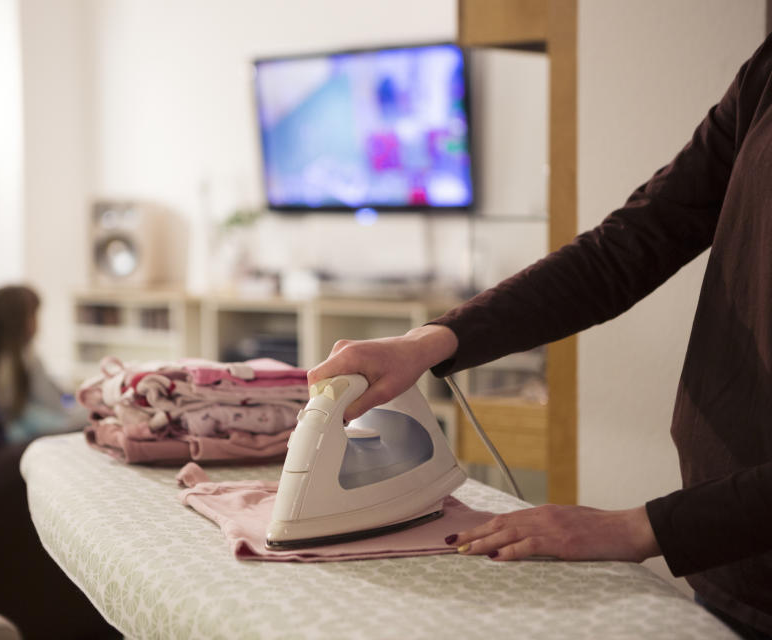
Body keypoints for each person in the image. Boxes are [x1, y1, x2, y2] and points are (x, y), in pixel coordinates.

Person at [309, 34, 772, 639]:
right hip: (724, 549)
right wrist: (429, 341)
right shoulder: (766, 70)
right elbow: (626, 249)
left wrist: (639, 528)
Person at [0, 284, 86, 442]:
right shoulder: (24, 361)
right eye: (34, 315)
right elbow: (55, 409)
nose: (38, 323)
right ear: (17, 321)